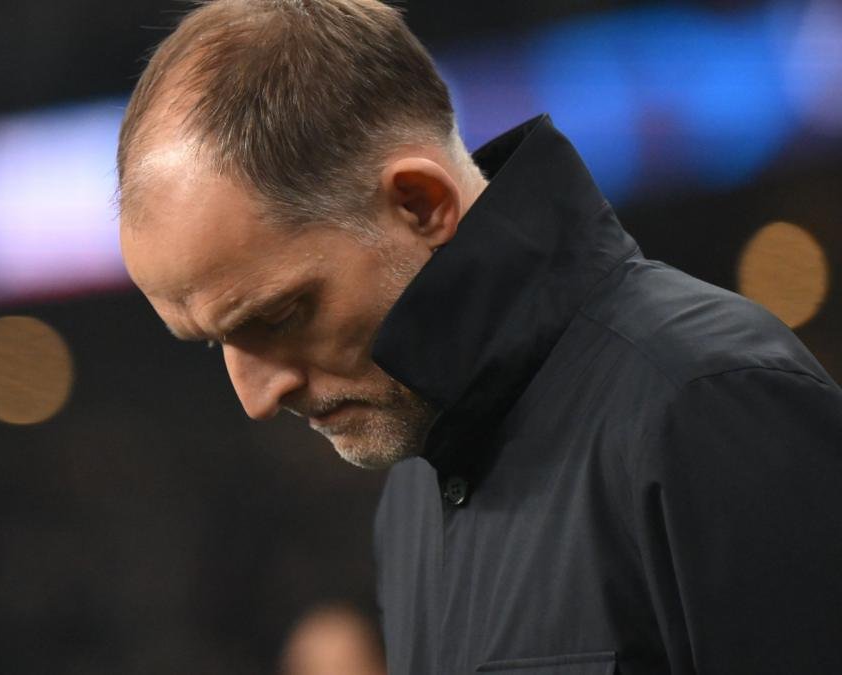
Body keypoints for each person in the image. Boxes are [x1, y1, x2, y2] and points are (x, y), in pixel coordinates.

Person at [115, 1, 842, 673]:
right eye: (214, 342)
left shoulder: (706, 404)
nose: (256, 398)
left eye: (277, 316)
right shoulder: (410, 495)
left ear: (421, 203)